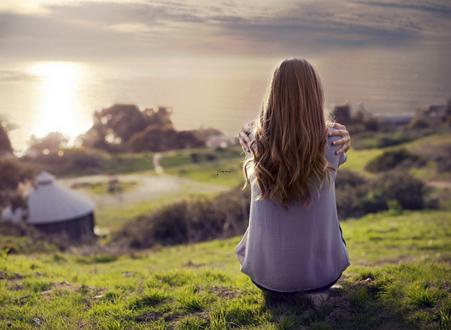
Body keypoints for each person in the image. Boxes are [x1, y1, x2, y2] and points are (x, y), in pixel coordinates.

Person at [236, 58, 351, 304]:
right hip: (321, 279)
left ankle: (281, 277)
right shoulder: (333, 142)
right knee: (334, 222)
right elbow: (335, 152)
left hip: (265, 280)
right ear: (314, 94)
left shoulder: (255, 143)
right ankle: (314, 285)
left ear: (272, 94)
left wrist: (247, 129)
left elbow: (256, 130)